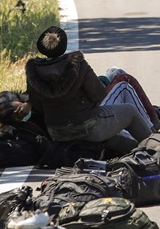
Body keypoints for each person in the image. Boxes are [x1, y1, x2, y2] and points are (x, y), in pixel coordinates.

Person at [24, 26, 152, 156]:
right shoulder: (77, 64)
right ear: (63, 45)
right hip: (87, 127)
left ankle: (141, 152)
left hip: (57, 132)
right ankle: (158, 148)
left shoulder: (33, 71)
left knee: (115, 140)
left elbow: (37, 105)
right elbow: (98, 95)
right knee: (130, 111)